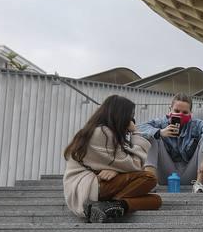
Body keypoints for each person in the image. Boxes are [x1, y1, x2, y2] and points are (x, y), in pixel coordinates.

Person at [62, 95, 162, 223]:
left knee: (155, 201)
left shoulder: (99, 131)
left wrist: (116, 170)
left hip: (93, 186)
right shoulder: (102, 133)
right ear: (121, 115)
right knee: (149, 178)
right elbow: (135, 164)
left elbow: (121, 163)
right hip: (86, 189)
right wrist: (136, 133)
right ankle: (106, 205)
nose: (132, 121)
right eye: (130, 116)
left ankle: (109, 207)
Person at [138, 94, 203, 192]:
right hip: (166, 174)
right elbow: (138, 128)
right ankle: (150, 183)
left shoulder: (196, 124)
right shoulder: (161, 122)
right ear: (170, 109)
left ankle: (199, 185)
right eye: (176, 111)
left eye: (185, 112)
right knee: (151, 137)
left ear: (191, 113)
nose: (180, 115)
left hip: (190, 174)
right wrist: (160, 132)